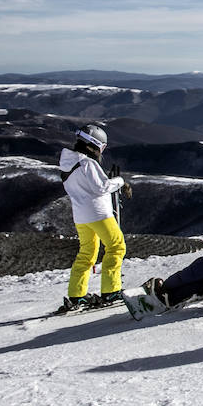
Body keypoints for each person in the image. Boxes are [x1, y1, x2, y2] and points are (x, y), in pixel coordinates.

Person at [58, 124, 130, 311]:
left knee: (87, 254)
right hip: (99, 213)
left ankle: (76, 295)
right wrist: (120, 181)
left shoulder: (68, 161)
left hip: (80, 216)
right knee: (116, 246)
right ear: (96, 145)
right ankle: (111, 291)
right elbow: (101, 187)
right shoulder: (87, 163)